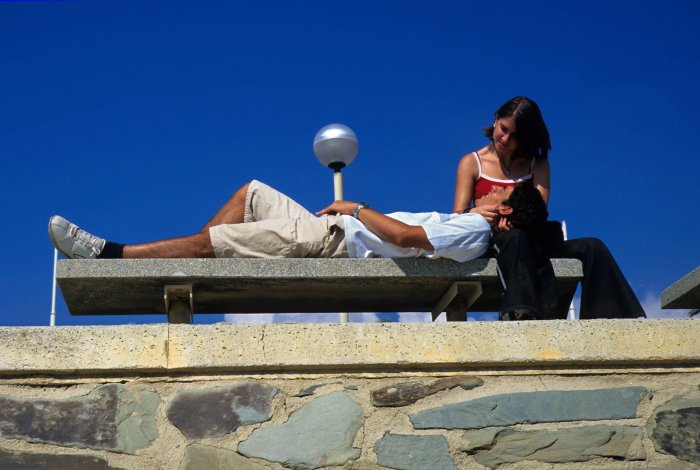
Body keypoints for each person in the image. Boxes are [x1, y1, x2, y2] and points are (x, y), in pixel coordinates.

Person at [453, 96, 645, 320]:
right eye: (504, 129)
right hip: (498, 240)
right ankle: (522, 314)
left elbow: (538, 210)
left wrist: (502, 208)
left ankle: (612, 319)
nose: (505, 138)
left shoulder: (538, 163)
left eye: (515, 136)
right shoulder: (471, 162)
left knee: (593, 247)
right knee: (515, 238)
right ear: (496, 120)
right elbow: (457, 217)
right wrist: (474, 212)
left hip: (535, 237)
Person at [49, 179, 547, 263]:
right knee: (252, 193)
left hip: (334, 239)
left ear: (504, 208)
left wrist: (352, 207)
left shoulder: (475, 229)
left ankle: (112, 253)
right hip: (332, 231)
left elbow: (400, 235)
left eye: (500, 190)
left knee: (222, 240)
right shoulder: (472, 222)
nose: (493, 187)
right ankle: (183, 260)